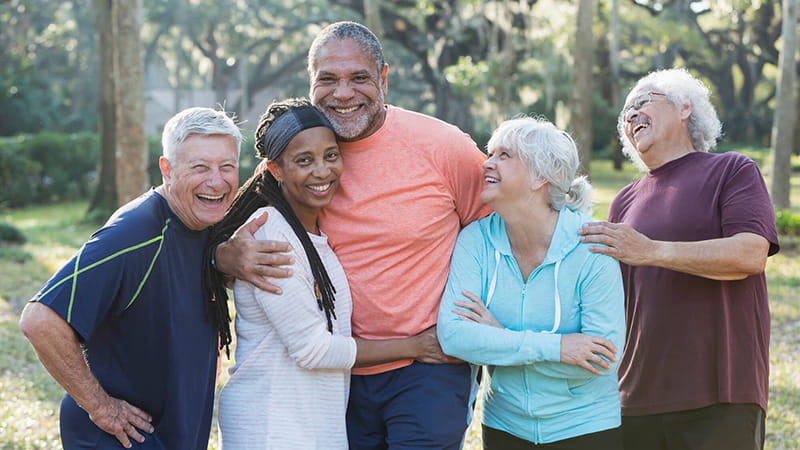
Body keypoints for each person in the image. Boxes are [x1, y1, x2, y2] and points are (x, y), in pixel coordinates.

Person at [214, 21, 490, 448]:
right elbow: (223, 230)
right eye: (328, 79)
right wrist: (223, 256)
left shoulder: (443, 146)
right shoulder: (293, 160)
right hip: (336, 378)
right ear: (311, 83)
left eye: (359, 77)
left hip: (430, 365)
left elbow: (497, 231)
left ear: (383, 78)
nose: (342, 93)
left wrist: (488, 322)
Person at [206, 99, 454, 448]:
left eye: (331, 155)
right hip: (271, 425)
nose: (322, 171)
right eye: (304, 160)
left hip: (307, 422)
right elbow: (313, 350)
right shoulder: (271, 235)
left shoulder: (314, 233)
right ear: (275, 169)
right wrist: (415, 346)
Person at [578, 68, 780, 450]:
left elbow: (751, 253)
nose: (631, 116)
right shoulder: (624, 200)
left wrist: (652, 250)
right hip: (634, 398)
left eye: (642, 102)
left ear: (685, 106)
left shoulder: (732, 170)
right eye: (625, 113)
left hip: (720, 393)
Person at [18, 107, 242, 449]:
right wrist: (100, 407)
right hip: (118, 439)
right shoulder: (135, 235)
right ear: (167, 170)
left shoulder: (205, 224)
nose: (216, 180)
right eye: (199, 167)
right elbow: (40, 320)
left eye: (226, 166)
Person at [437, 117, 625, 449]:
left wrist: (499, 338)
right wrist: (559, 348)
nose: (487, 163)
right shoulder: (475, 240)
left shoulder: (591, 246)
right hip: (504, 425)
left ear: (541, 175)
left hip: (586, 426)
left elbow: (601, 359)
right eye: (490, 153)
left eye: (504, 155)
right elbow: (454, 336)